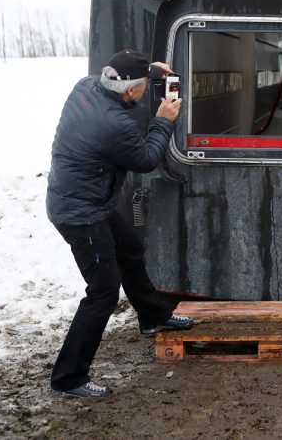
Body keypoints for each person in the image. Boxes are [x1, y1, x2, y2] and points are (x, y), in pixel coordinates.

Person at [46, 49, 193, 398]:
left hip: (86, 199)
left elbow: (126, 74)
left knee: (129, 246)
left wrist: (150, 70)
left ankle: (153, 316)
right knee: (102, 294)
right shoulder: (115, 124)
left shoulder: (85, 86)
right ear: (131, 92)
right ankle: (68, 379)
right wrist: (163, 120)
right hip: (80, 215)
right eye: (143, 85)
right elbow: (145, 159)